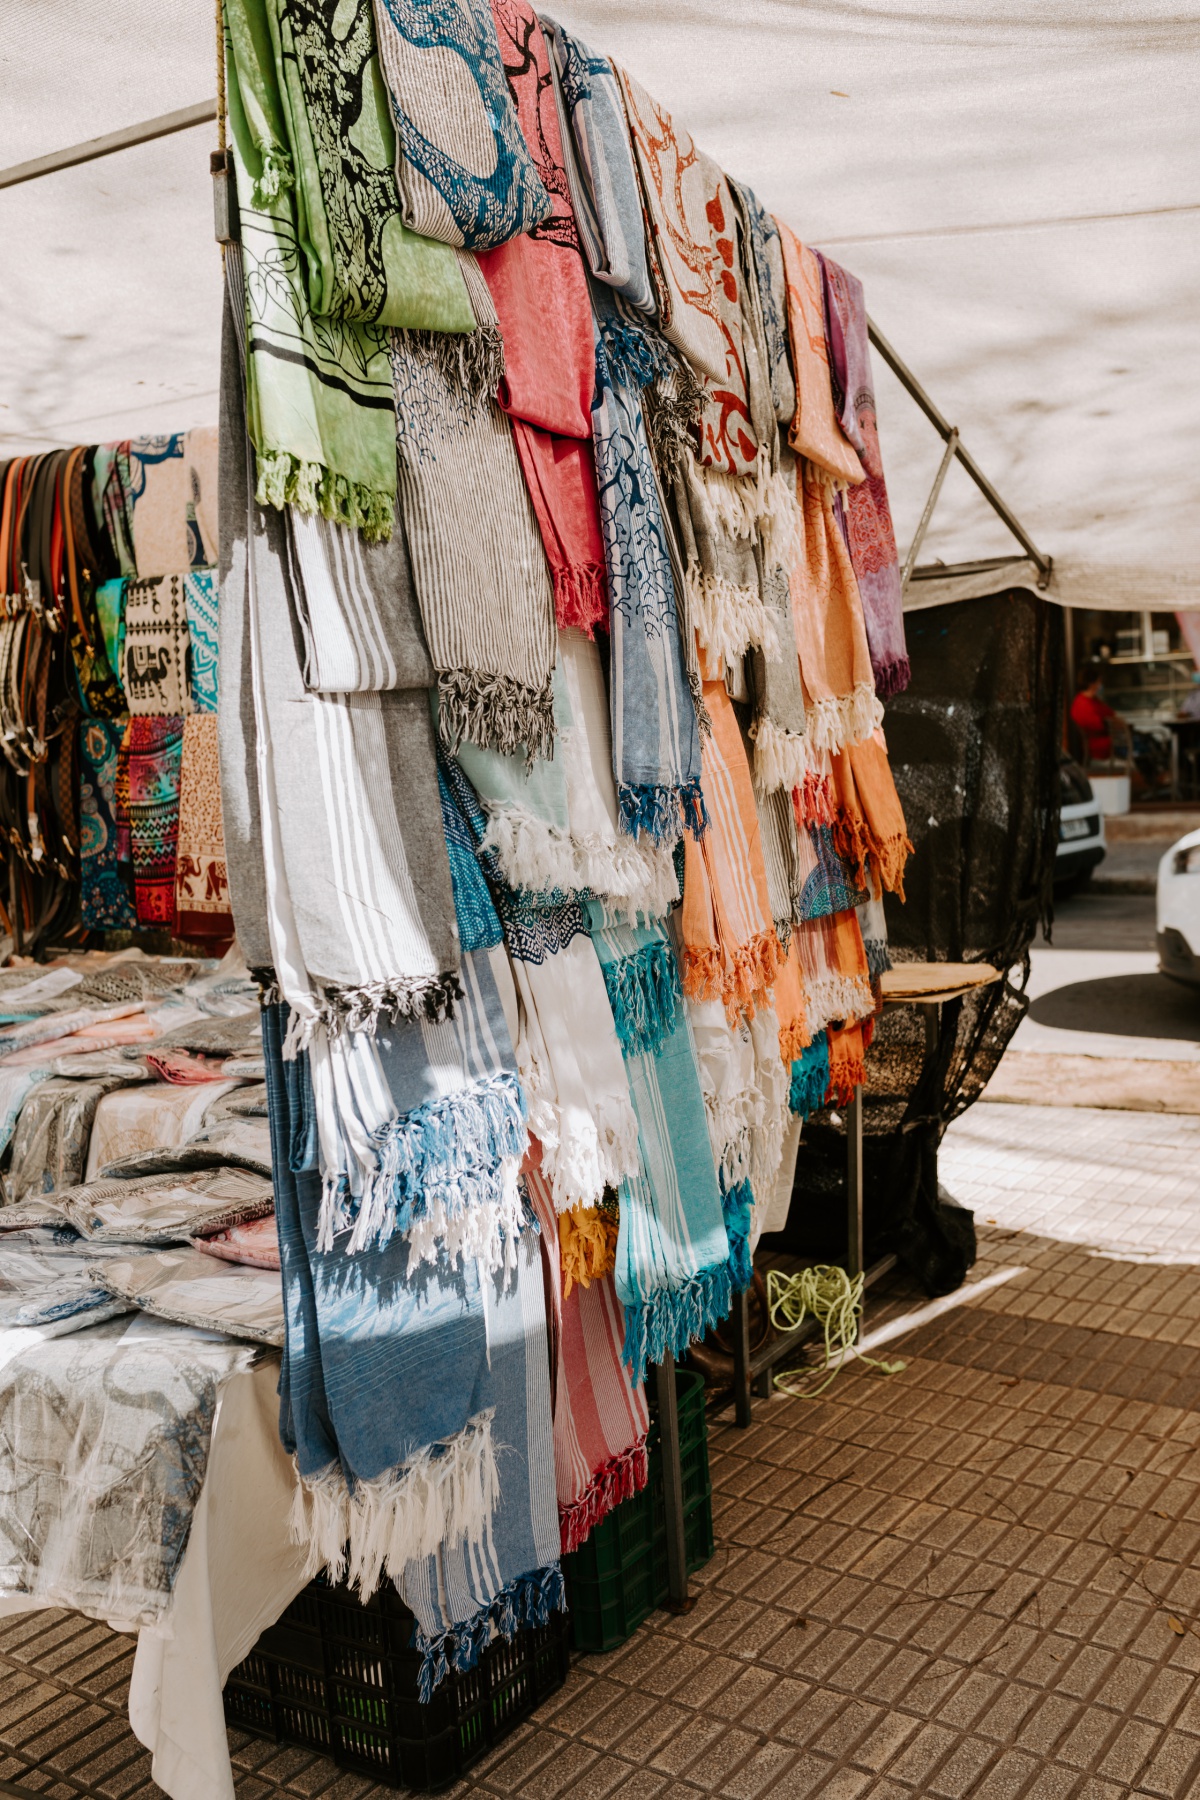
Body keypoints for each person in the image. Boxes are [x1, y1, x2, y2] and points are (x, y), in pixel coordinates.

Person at [1069, 663, 1128, 764]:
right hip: (1100, 749)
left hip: (1108, 745)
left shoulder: (1091, 700)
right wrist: (1114, 724)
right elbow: (1098, 725)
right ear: (1092, 683)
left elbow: (1109, 714)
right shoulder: (1083, 704)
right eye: (1099, 682)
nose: (1100, 685)